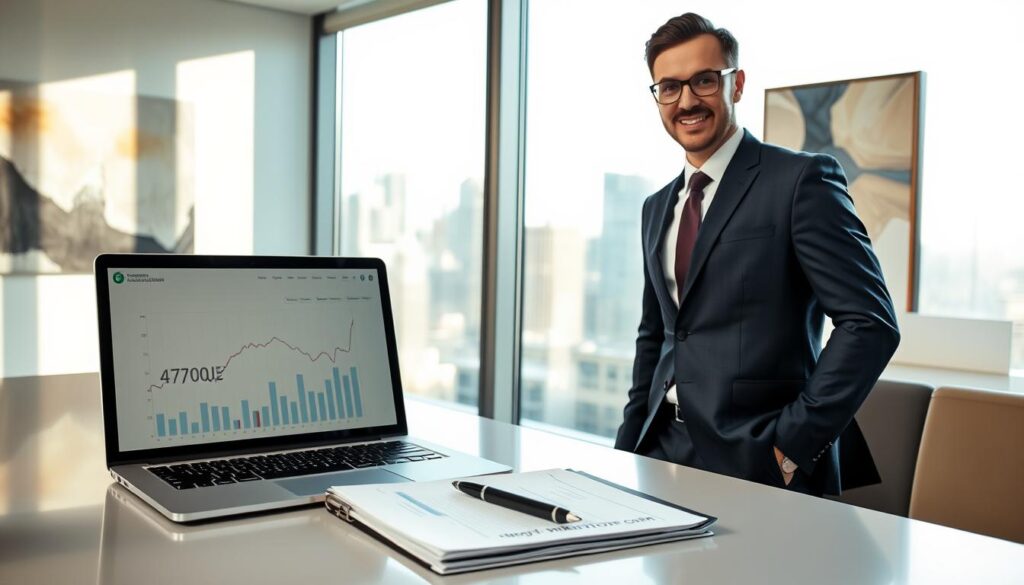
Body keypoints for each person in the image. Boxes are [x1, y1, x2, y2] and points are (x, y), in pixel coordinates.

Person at [614, 12, 900, 496]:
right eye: (669, 87)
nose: (686, 101)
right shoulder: (656, 206)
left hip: (758, 458)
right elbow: (657, 336)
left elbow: (870, 324)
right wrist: (627, 443)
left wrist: (790, 445)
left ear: (737, 84)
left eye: (704, 81)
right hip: (659, 449)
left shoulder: (801, 182)